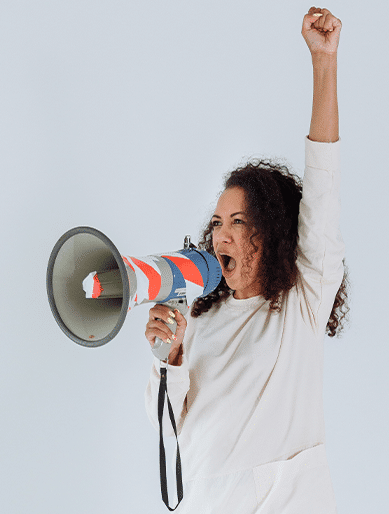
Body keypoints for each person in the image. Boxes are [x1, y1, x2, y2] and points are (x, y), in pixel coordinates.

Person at [143, 7, 349, 513]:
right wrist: (169, 357)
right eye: (216, 223)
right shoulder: (199, 320)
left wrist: (325, 65)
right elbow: (170, 430)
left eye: (239, 222)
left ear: (273, 232)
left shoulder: (300, 306)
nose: (222, 236)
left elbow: (322, 189)